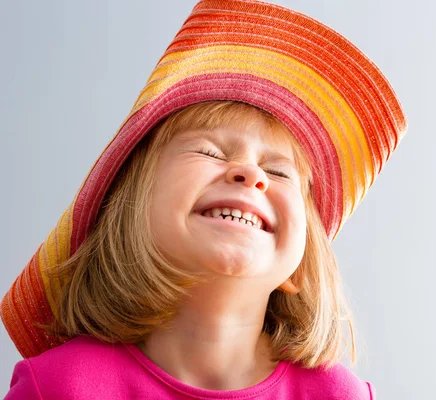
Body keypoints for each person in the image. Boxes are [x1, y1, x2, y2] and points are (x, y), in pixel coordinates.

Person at [2, 1, 407, 399]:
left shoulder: (336, 395)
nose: (250, 174)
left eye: (280, 172)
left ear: (301, 266)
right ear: (130, 215)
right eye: (211, 152)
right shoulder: (57, 386)